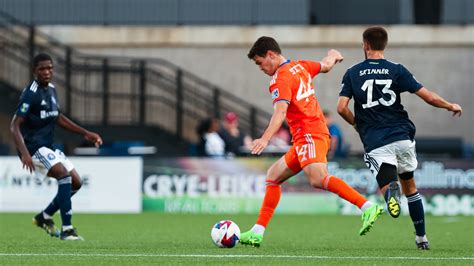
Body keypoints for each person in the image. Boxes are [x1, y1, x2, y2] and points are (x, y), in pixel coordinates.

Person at [240, 36, 383, 247]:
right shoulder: (300, 66)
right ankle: (257, 232)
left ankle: (367, 206)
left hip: (309, 134)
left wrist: (265, 138)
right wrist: (333, 56)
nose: (260, 68)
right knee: (272, 176)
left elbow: (280, 113)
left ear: (271, 54)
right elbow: (325, 66)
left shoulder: (280, 79)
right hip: (306, 137)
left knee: (318, 178)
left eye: (260, 62)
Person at [337, 26, 463, 250]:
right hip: (403, 136)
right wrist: (449, 105)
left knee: (388, 186)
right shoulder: (397, 69)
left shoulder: (352, 72)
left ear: (365, 45)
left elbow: (341, 108)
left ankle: (390, 193)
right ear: (384, 45)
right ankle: (421, 238)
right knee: (411, 187)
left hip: (376, 140)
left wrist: (357, 124)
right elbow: (429, 97)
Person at [10, 53, 103, 241]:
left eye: (50, 68)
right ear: (34, 71)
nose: (47, 72)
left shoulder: (52, 89)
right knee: (64, 176)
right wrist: (25, 154)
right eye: (42, 68)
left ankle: (44, 217)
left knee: (76, 183)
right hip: (33, 148)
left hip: (48, 146)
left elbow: (57, 116)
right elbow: (15, 125)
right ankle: (67, 229)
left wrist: (84, 132)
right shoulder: (31, 93)